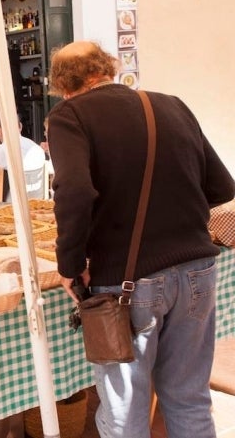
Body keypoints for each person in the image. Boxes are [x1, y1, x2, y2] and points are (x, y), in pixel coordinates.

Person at [46, 41, 235, 438]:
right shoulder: (170, 104)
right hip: (198, 269)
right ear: (108, 70)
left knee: (125, 411)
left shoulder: (69, 115)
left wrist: (70, 264)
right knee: (189, 398)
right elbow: (221, 186)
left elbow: (75, 192)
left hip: (128, 281)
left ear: (63, 85)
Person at [0, 121, 45, 201]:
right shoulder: (37, 149)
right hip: (36, 205)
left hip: (4, 207)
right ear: (20, 127)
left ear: (0, 130)